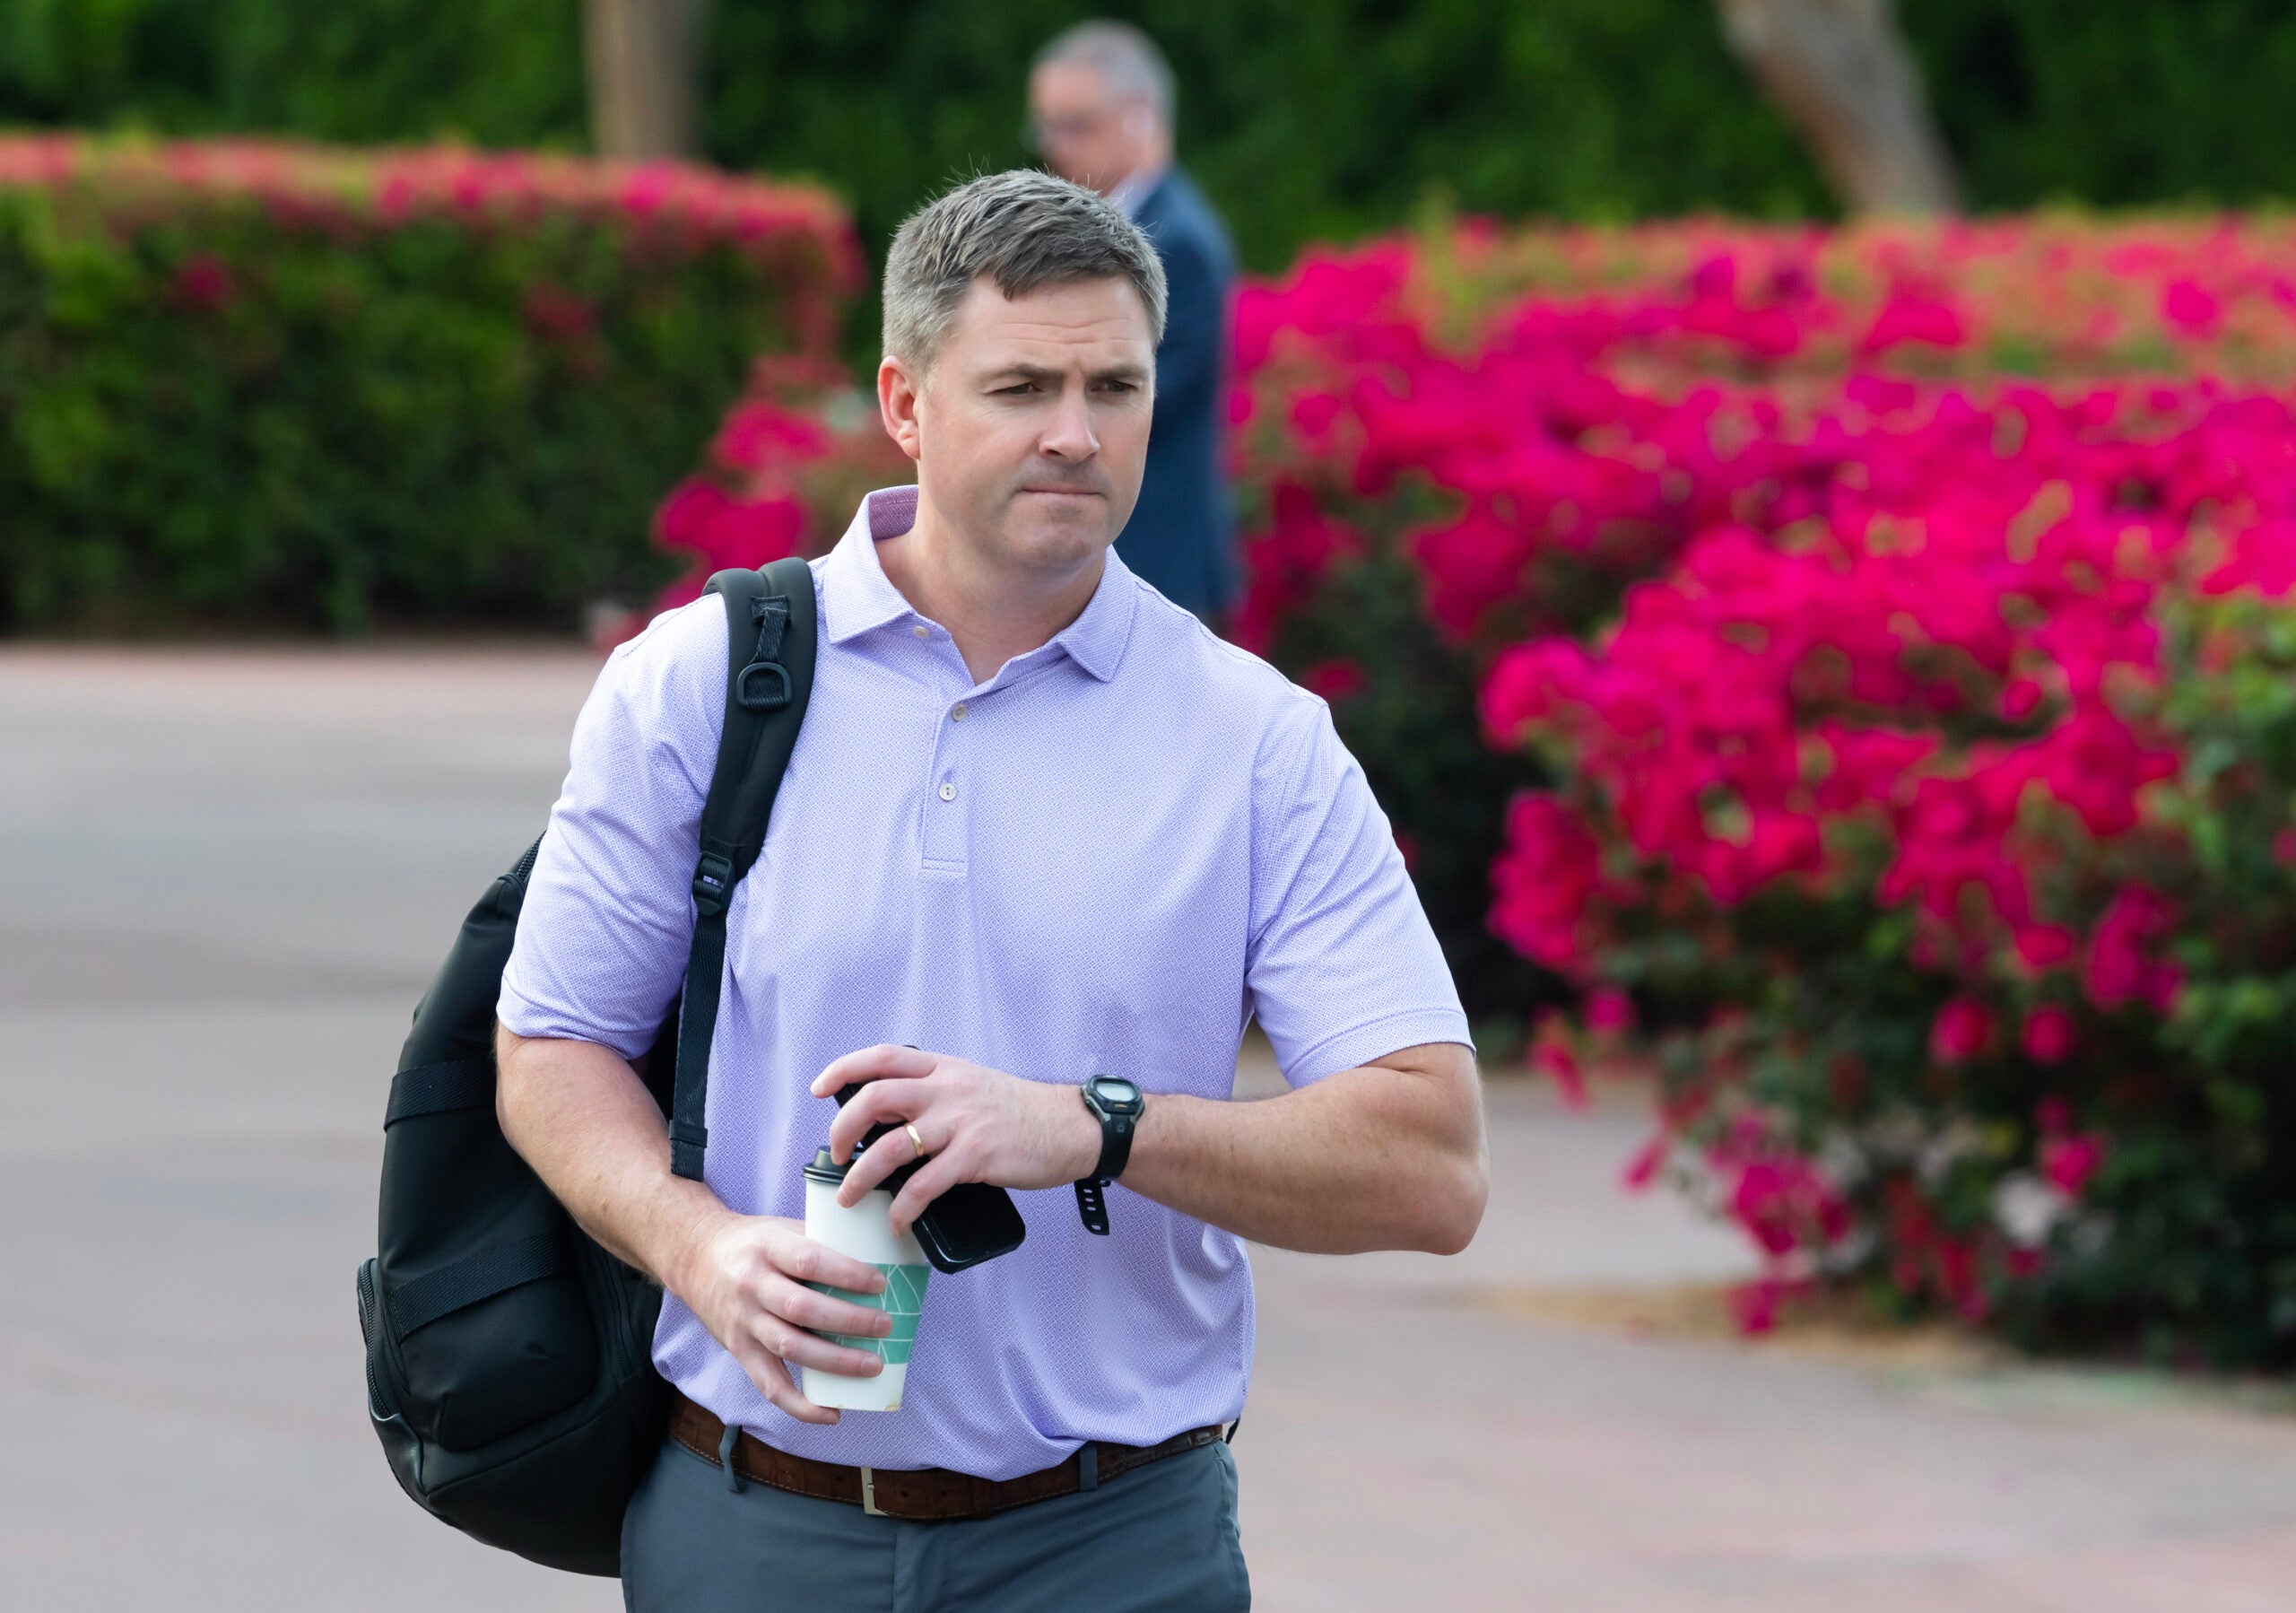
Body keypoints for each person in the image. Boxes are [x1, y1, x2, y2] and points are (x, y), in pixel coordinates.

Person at [496, 170, 1486, 1612]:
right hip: (752, 1522)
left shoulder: (1255, 738)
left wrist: (1088, 1127)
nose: (1076, 434)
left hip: (1114, 1542)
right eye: (1021, 383)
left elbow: (1434, 1166)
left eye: (1115, 385)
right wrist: (693, 1243)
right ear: (905, 400)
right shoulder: (699, 684)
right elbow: (551, 1045)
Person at [1029, 21, 1238, 621]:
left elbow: (1140, 401)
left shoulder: (1180, 243)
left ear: (1141, 116)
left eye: (1077, 124)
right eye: (1047, 125)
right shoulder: (1128, 229)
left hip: (1155, 557)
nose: (1056, 145)